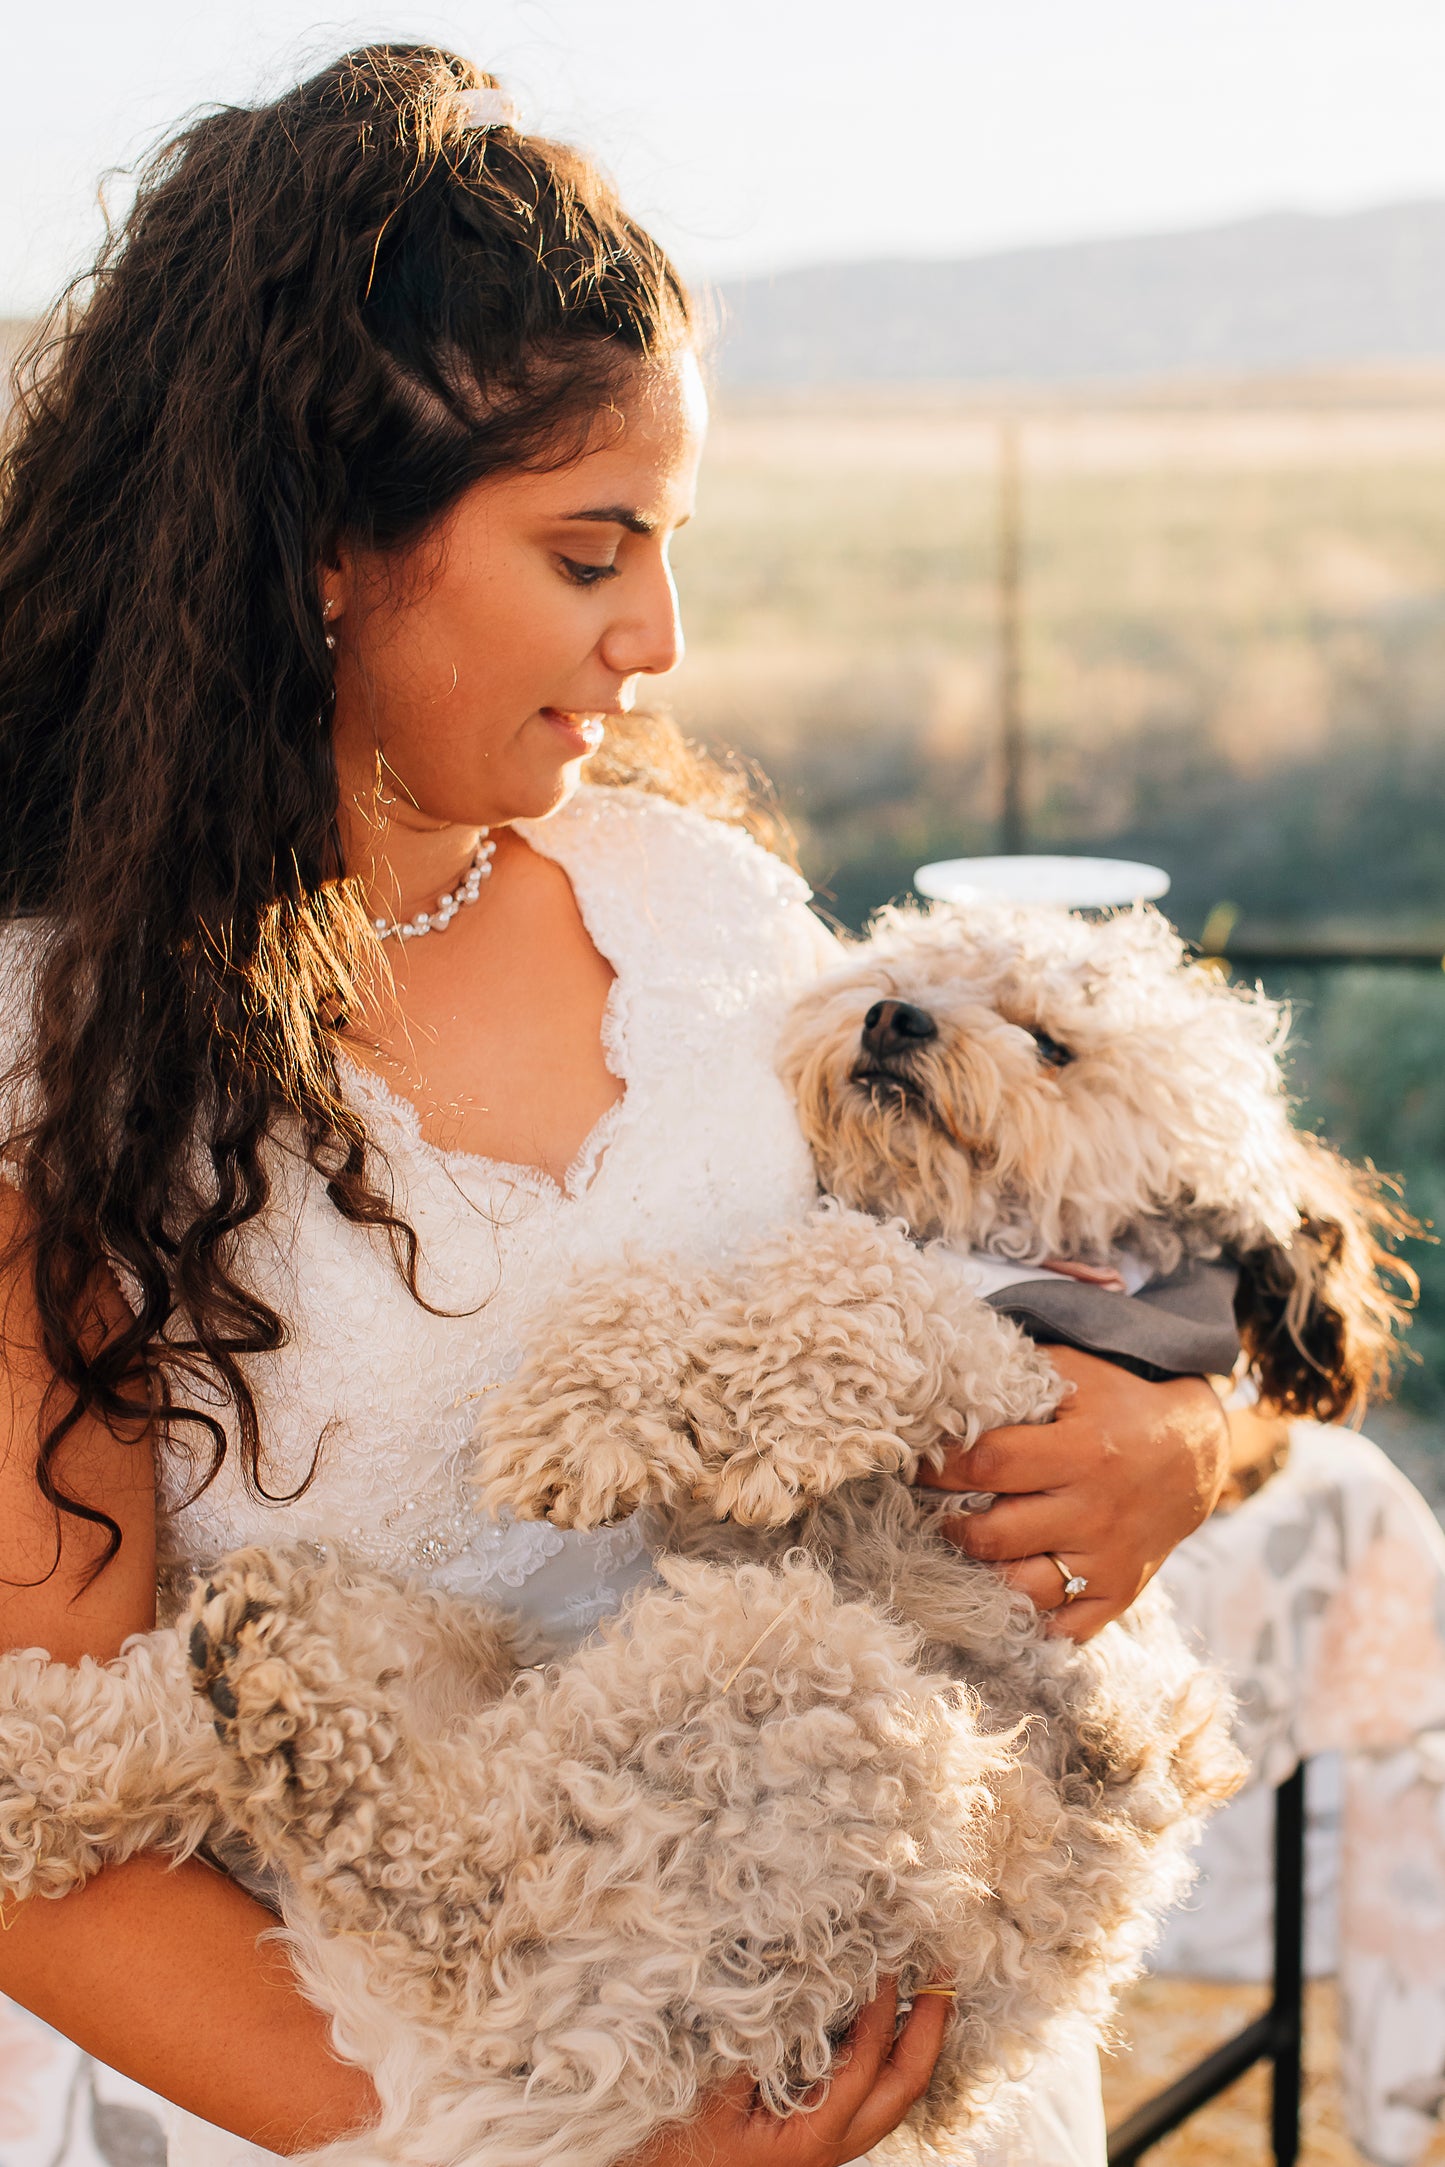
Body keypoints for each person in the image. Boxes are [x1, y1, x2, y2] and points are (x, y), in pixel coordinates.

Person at [0, 46, 1230, 2167]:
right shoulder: (60, 1066)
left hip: (900, 2042)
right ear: (323, 542)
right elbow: (36, 1815)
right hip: (418, 2097)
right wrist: (566, 2144)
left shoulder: (702, 911)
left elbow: (1094, 1256)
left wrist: (1180, 1428)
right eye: (592, 551)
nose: (659, 637)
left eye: (668, 544)